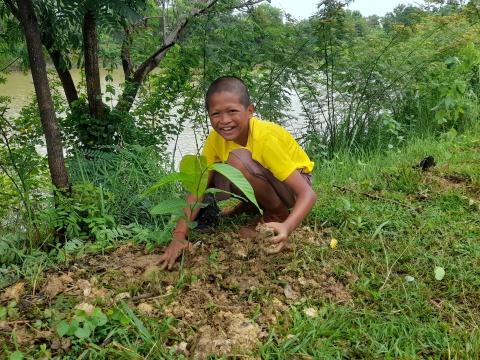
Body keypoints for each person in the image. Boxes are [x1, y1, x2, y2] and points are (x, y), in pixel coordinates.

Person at [159, 76, 317, 270]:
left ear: (250, 110)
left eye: (232, 111)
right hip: (266, 178)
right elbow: (198, 188)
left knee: (237, 160)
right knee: (209, 174)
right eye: (216, 114)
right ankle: (250, 207)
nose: (224, 121)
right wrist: (179, 236)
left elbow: (307, 194)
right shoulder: (215, 140)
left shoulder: (264, 138)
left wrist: (288, 226)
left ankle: (277, 214)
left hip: (294, 186)